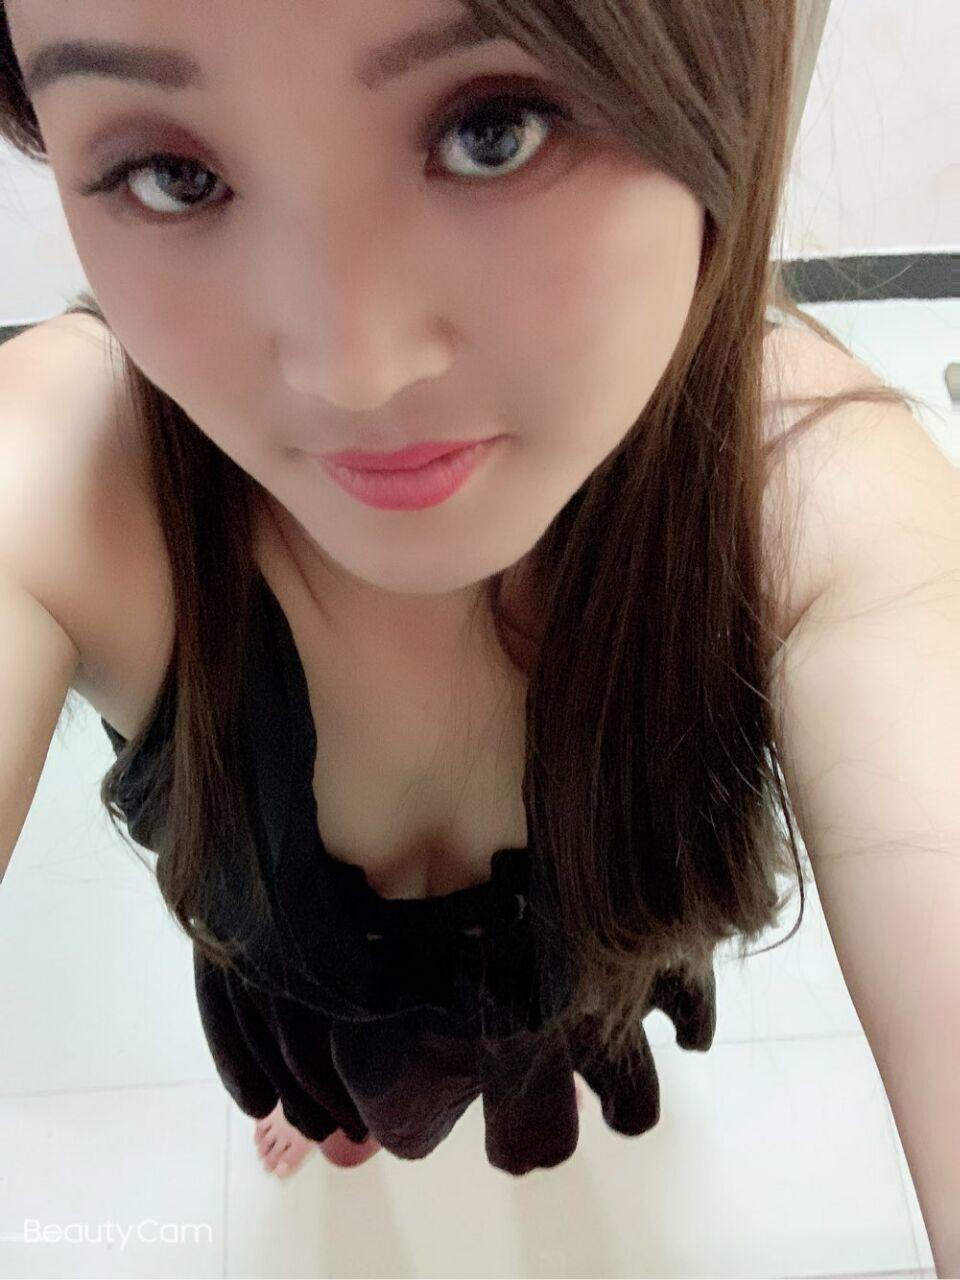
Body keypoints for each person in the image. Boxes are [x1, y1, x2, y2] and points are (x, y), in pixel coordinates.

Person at [2, 5, 957, 1262]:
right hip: (306, 990)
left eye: (494, 130)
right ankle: (336, 1112)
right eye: (173, 175)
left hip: (579, 981)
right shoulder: (71, 480)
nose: (352, 366)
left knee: (565, 1029)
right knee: (333, 1087)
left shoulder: (810, 494)